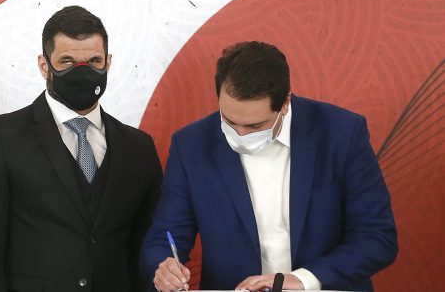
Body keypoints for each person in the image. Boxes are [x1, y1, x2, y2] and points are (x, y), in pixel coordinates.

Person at [142, 41, 397, 291]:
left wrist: (305, 279)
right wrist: (162, 268)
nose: (240, 135)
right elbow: (164, 236)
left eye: (255, 127)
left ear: (285, 103)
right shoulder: (191, 144)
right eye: (229, 121)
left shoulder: (342, 133)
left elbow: (377, 237)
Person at [0, 5, 163, 292]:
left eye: (94, 60)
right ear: (44, 65)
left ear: (108, 62)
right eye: (67, 61)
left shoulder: (139, 146)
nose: (83, 71)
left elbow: (150, 240)